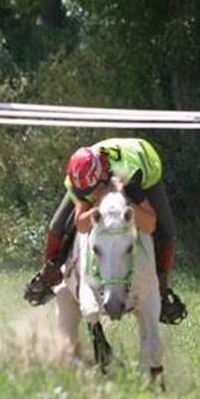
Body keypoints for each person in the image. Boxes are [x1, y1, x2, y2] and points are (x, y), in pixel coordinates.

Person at [24, 137, 187, 325]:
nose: (90, 196)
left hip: (142, 161)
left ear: (103, 178)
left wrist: (127, 201)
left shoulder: (130, 177)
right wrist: (94, 208)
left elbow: (150, 224)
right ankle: (47, 275)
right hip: (98, 166)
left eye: (93, 190)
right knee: (57, 225)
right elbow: (81, 224)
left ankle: (162, 290)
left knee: (167, 233)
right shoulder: (77, 182)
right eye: (85, 192)